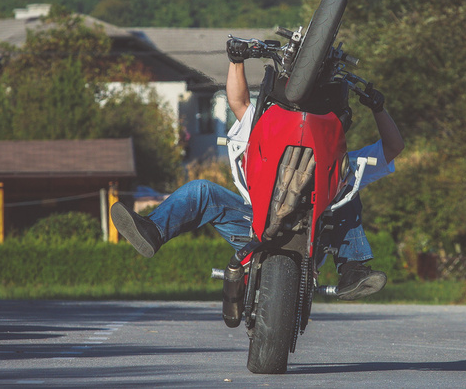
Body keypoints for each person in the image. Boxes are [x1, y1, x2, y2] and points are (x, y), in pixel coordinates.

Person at [111, 39, 404, 300]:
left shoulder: (340, 166)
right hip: (253, 222)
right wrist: (236, 61)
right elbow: (238, 102)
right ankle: (153, 230)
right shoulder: (265, 133)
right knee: (201, 190)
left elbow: (392, 149)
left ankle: (352, 269)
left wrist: (378, 108)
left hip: (317, 234)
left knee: (347, 192)